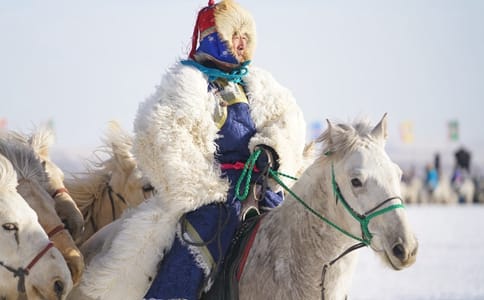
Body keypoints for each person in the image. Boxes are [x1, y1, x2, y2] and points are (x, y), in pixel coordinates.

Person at [131, 1, 307, 299]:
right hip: (214, 195)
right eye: (234, 35)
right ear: (213, 37)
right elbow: (165, 135)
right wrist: (209, 186)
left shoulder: (258, 84)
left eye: (245, 37)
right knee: (199, 241)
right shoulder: (188, 83)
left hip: (259, 185)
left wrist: (271, 151)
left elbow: (287, 120)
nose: (241, 43)